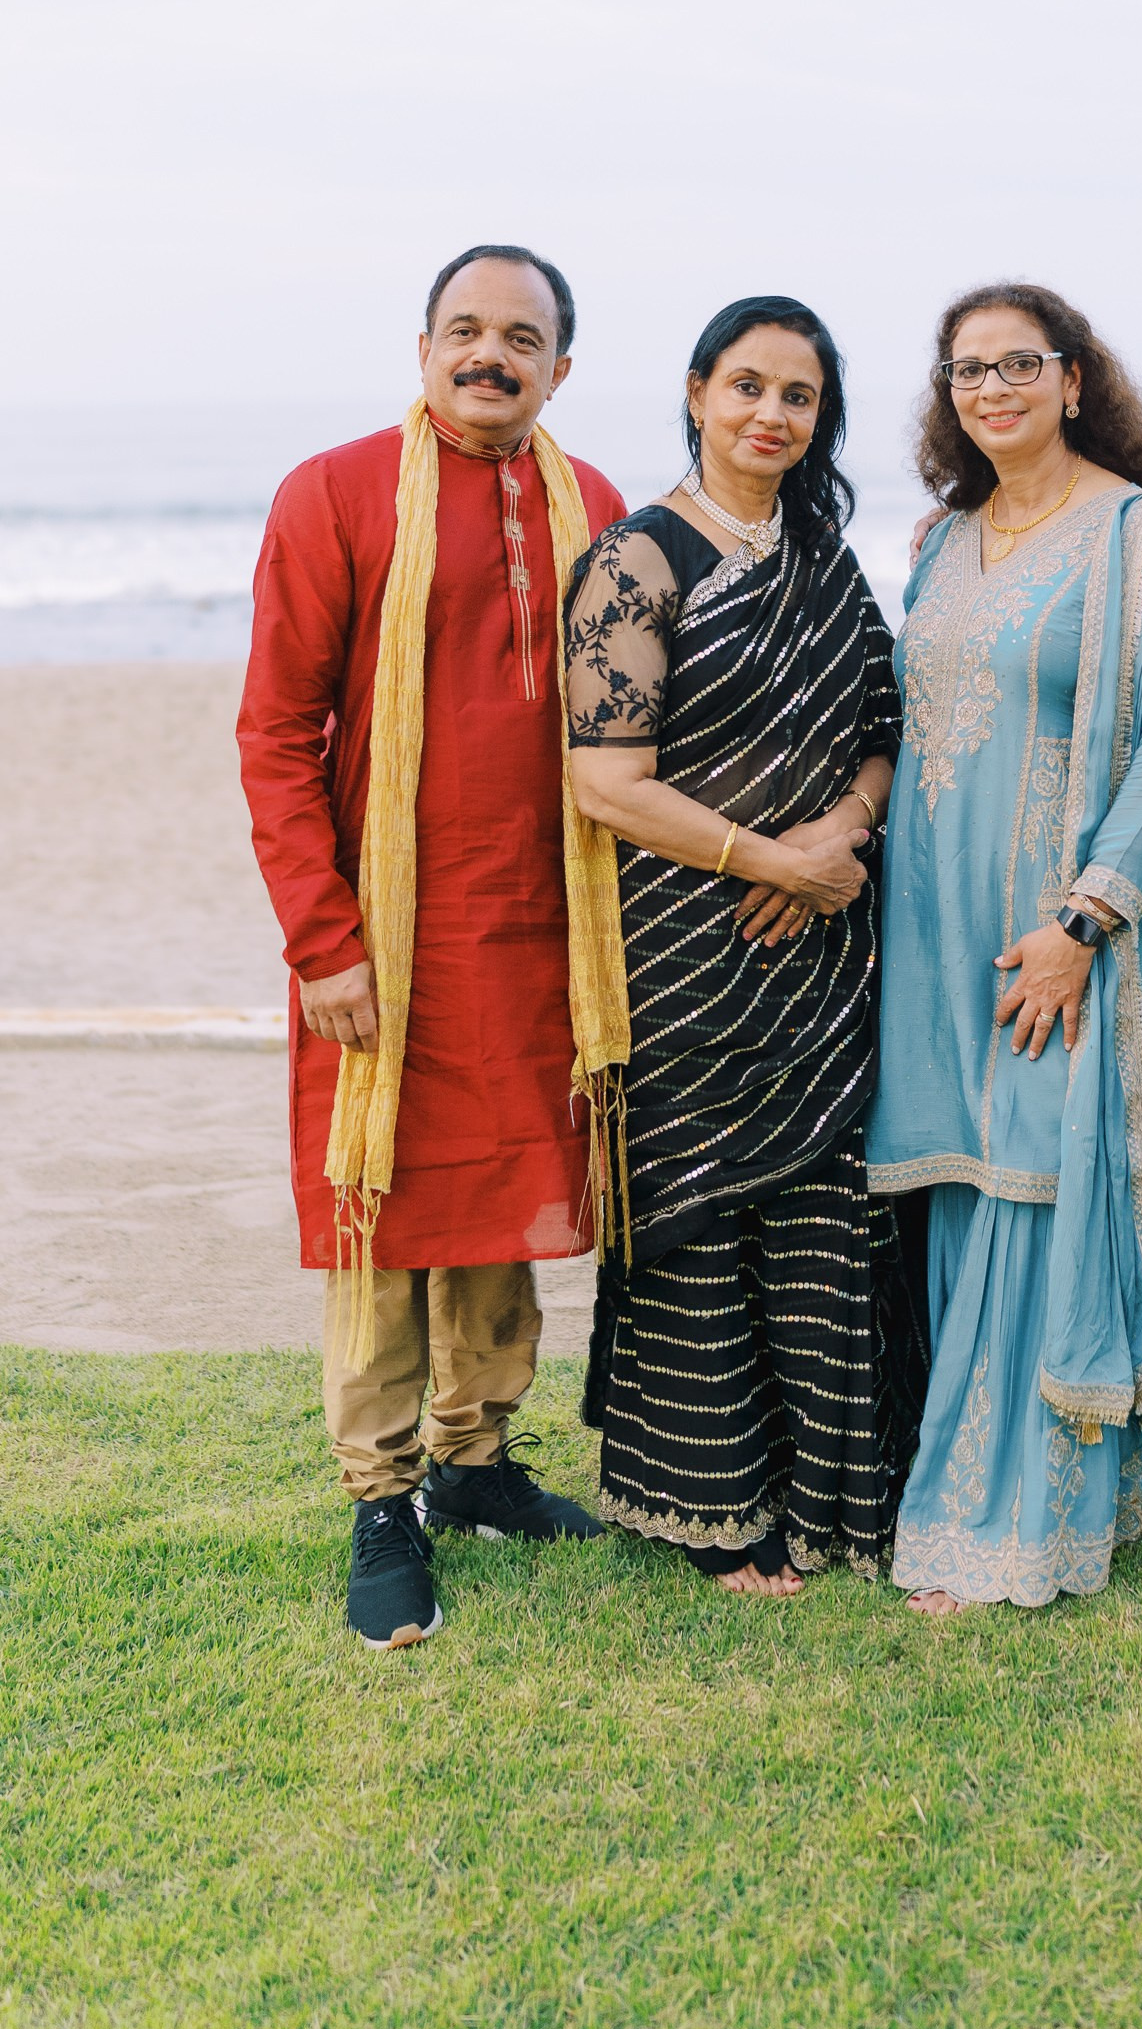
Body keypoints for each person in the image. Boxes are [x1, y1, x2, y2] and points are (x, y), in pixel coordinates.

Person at [238, 245, 629, 1653]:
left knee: (507, 1206)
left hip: (546, 937)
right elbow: (277, 735)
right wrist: (321, 938)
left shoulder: (598, 508)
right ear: (421, 348)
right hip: (389, 941)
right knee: (383, 1213)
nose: (490, 355)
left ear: (560, 370)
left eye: (521, 337)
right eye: (465, 329)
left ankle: (475, 1460)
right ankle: (382, 1497)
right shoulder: (336, 492)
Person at [868, 283, 1142, 1615]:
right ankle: (1119, 1481)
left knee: (1045, 1189)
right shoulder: (939, 541)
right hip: (935, 936)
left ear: (1076, 379)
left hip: (1062, 937)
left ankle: (1007, 1520)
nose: (994, 389)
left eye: (1020, 364)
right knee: (973, 1191)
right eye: (969, 370)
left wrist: (1085, 921)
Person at [563, 296, 905, 1596]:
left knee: (824, 1215)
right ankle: (715, 1512)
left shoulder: (824, 558)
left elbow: (885, 722)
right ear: (701, 391)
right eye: (748, 386)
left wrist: (839, 835)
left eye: (798, 397)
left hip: (826, 950)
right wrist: (771, 862)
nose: (771, 413)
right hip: (688, 950)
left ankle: (830, 1499)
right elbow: (607, 781)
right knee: (704, 1218)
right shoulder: (638, 562)